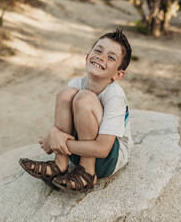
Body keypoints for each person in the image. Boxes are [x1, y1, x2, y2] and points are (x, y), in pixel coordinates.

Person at [19, 28, 133, 192]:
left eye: (111, 57)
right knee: (67, 94)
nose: (101, 57)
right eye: (98, 51)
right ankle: (60, 164)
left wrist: (58, 142)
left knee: (84, 98)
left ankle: (87, 173)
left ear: (119, 74)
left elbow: (102, 149)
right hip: (79, 149)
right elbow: (63, 121)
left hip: (107, 159)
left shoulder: (115, 96)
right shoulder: (76, 83)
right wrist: (53, 134)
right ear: (87, 57)